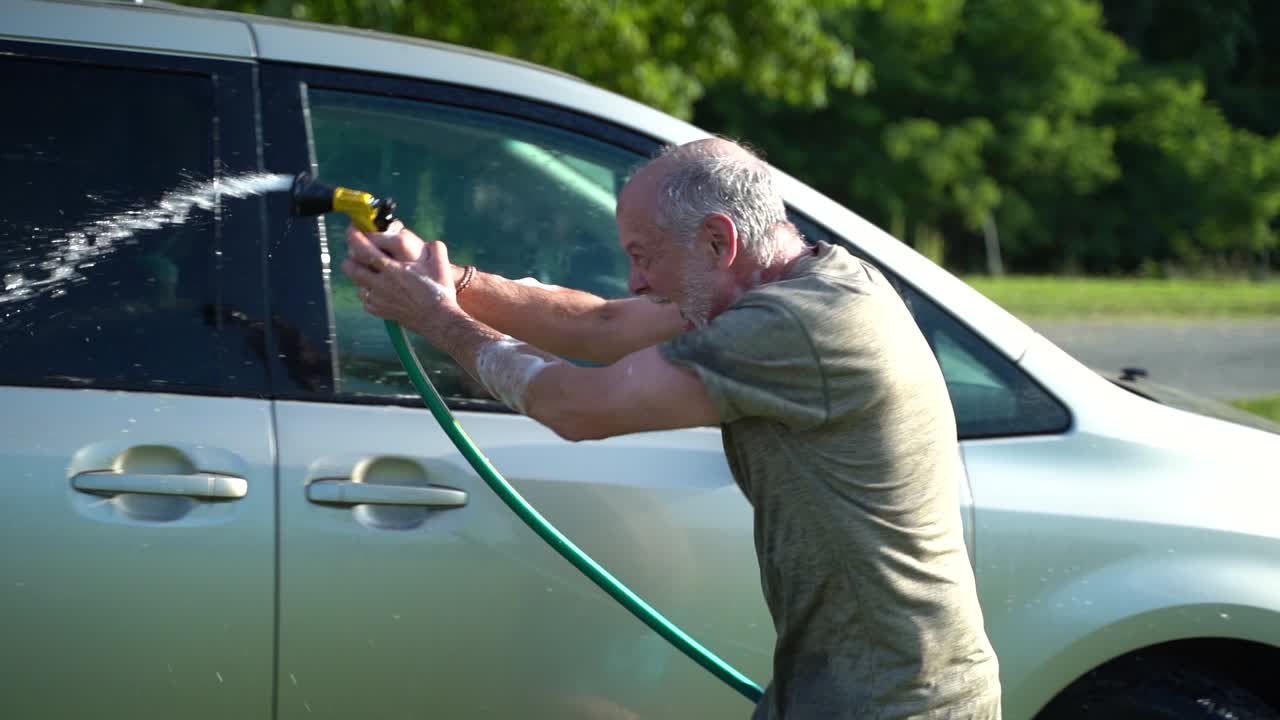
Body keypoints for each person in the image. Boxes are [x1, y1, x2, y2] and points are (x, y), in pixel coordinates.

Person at [342, 137, 1002, 719]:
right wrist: (443, 280)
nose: (635, 278)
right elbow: (600, 326)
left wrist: (441, 322)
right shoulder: (790, 284)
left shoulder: (794, 325)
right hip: (853, 689)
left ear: (719, 240)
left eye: (643, 254)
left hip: (894, 704)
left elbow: (579, 406)